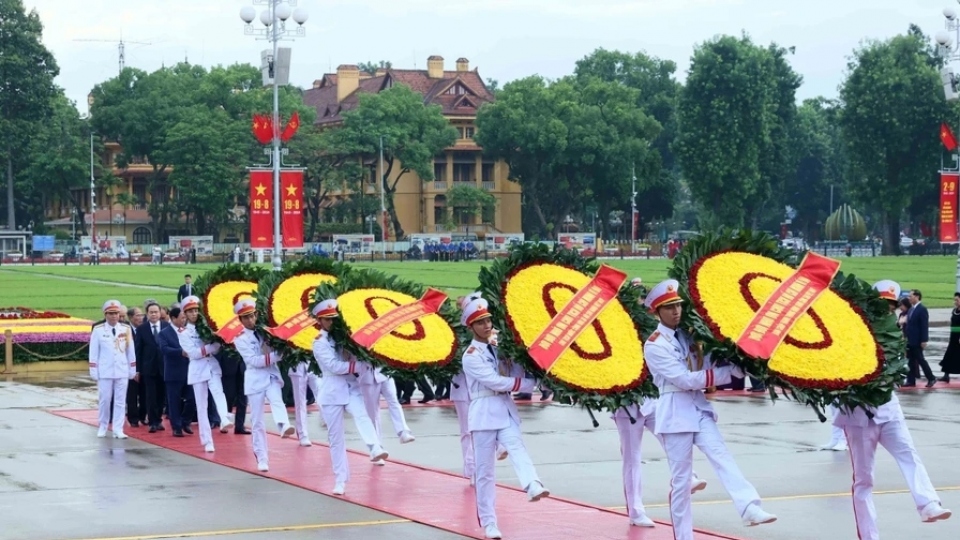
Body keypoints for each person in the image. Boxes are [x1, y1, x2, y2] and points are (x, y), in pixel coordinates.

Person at [643, 279, 775, 540]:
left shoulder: (690, 335)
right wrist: (729, 373)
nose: (676, 311)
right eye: (669, 307)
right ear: (657, 312)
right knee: (681, 483)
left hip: (698, 408)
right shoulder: (655, 344)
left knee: (721, 455)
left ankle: (749, 506)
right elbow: (684, 379)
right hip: (675, 412)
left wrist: (739, 358)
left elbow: (708, 361)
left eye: (678, 305)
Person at [834, 280, 951, 539]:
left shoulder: (895, 332)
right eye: (882, 304)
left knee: (910, 455)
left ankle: (928, 504)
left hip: (889, 411)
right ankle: (869, 536)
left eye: (891, 305)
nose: (887, 310)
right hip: (858, 417)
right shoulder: (851, 329)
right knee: (864, 481)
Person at [461, 296, 548, 540]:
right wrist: (527, 383)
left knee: (516, 446)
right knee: (485, 472)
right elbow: (495, 381)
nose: (486, 325)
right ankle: (489, 523)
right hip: (484, 413)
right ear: (471, 327)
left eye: (488, 320)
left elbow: (513, 370)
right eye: (480, 322)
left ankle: (532, 484)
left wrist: (526, 363)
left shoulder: (500, 346)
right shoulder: (470, 355)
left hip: (506, 409)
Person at [312, 299, 387, 495]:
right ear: (319, 320)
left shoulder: (344, 337)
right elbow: (334, 366)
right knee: (336, 438)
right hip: (331, 390)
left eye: (333, 319)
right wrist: (356, 366)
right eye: (327, 319)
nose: (330, 322)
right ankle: (340, 479)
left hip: (350, 387)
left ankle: (374, 447)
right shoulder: (319, 343)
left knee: (362, 415)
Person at [613, 398, 709, 527]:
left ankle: (688, 478)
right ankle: (635, 512)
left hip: (652, 402)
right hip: (626, 407)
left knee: (672, 441)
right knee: (632, 458)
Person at [232, 298, 295, 472]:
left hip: (271, 375)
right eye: (245, 318)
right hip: (255, 379)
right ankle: (261, 457)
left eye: (252, 316)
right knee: (257, 421)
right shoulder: (240, 339)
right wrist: (277, 355)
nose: (250, 320)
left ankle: (283, 425)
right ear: (241, 320)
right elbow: (253, 360)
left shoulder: (266, 330)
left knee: (277, 400)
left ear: (257, 315)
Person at [178, 296, 234, 452]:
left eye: (196, 310)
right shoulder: (183, 332)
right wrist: (210, 347)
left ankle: (223, 418)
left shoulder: (206, 326)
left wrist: (215, 345)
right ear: (186, 313)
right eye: (190, 311)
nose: (194, 314)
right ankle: (207, 440)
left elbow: (217, 346)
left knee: (218, 392)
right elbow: (193, 353)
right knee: (202, 406)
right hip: (197, 369)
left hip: (211, 365)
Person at [88, 300, 137, 439]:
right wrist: (93, 369)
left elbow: (130, 351)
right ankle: (103, 426)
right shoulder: (98, 331)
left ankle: (118, 428)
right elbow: (94, 352)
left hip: (121, 369)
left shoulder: (125, 329)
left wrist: (132, 368)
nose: (114, 316)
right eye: (111, 314)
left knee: (121, 401)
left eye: (116, 313)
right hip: (105, 370)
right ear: (105, 314)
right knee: (105, 399)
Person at [357, 359, 415, 460]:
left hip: (384, 372)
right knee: (373, 413)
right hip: (366, 377)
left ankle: (403, 432)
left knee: (394, 401)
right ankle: (377, 448)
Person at [157, 307, 196, 438]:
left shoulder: (188, 331)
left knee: (192, 398)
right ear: (173, 319)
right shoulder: (164, 333)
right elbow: (164, 349)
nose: (184, 320)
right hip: (173, 372)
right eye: (182, 318)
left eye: (185, 318)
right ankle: (177, 427)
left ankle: (186, 421)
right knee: (174, 401)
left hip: (189, 371)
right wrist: (180, 352)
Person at [135, 302, 168, 433]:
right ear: (147, 314)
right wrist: (137, 369)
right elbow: (138, 350)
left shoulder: (166, 326)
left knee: (161, 396)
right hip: (148, 368)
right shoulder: (142, 329)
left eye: (156, 312)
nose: (154, 314)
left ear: (160, 313)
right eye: (151, 312)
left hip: (164, 367)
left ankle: (159, 419)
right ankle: (152, 421)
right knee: (150, 396)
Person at [904, 289, 935, 387]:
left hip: (917, 340)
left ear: (917, 296)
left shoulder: (922, 309)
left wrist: (924, 340)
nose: (909, 298)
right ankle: (911, 380)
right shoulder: (911, 309)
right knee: (910, 361)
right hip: (910, 340)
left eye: (911, 296)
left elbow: (924, 326)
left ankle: (931, 378)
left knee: (921, 360)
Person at [288, 358, 322, 447]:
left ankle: (325, 418)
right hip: (297, 365)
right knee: (300, 402)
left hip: (313, 363)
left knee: (321, 393)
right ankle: (303, 434)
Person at [124, 306, 147, 427]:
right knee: (132, 395)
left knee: (145, 394)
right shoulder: (126, 330)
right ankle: (133, 419)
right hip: (130, 368)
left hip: (145, 367)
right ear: (131, 317)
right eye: (138, 315)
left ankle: (143, 416)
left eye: (141, 315)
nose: (140, 318)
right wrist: (134, 370)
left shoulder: (144, 329)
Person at [939, 292, 960, 383]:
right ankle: (946, 375)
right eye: (954, 300)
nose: (955, 302)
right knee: (949, 354)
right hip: (953, 335)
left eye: (957, 300)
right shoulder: (954, 311)